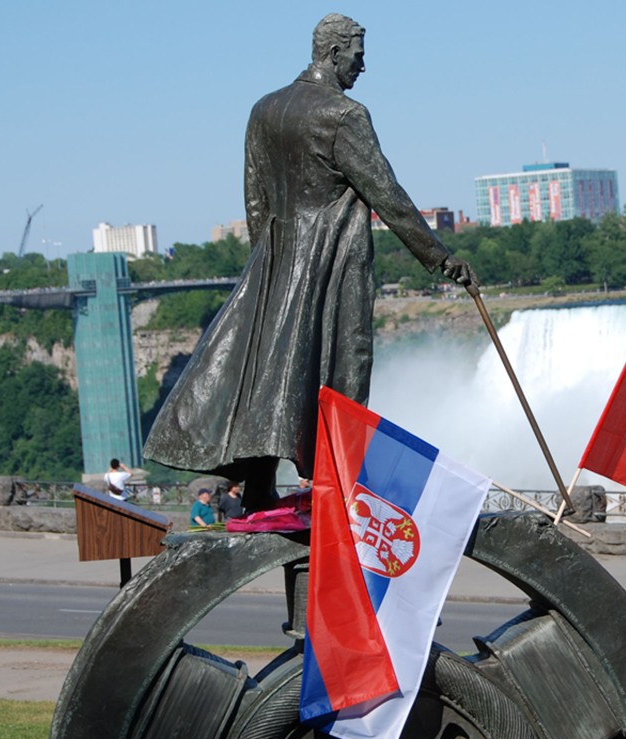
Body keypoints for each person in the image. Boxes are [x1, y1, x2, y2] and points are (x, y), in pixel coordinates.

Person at [143, 13, 476, 512]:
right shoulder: (344, 115)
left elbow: (254, 197)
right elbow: (387, 194)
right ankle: (334, 484)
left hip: (274, 258)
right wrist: (441, 257)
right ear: (334, 52)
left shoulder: (265, 109)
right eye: (359, 56)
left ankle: (259, 485)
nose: (363, 67)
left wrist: (269, 264)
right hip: (329, 260)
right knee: (335, 368)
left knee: (271, 373)